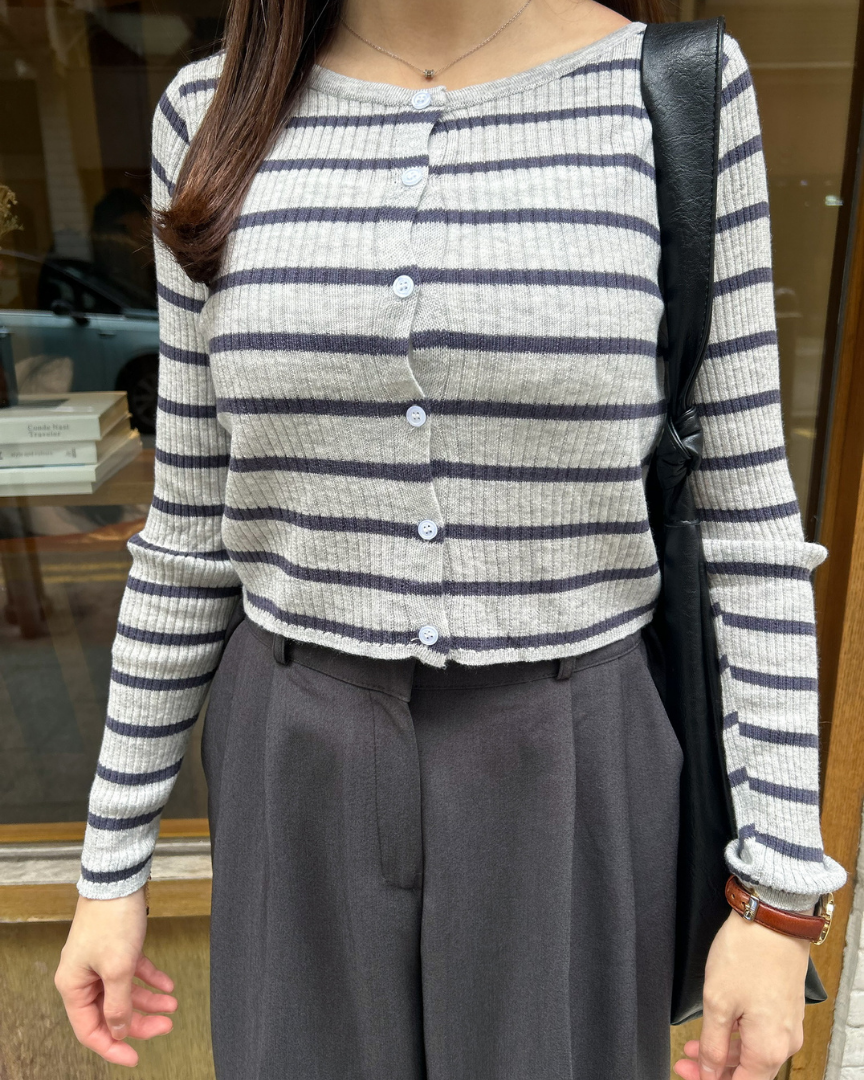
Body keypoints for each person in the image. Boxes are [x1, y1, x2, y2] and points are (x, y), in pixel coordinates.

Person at [53, 1, 849, 1077]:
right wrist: (110, 866)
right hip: (296, 762)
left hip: (569, 762)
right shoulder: (211, 110)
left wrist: (779, 895)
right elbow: (190, 533)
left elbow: (751, 523)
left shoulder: (673, 96)